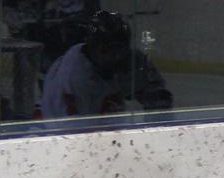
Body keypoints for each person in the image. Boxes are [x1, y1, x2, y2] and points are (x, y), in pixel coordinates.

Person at [39, 10, 172, 118]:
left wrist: (152, 97)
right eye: (106, 49)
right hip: (60, 125)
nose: (115, 55)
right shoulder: (76, 77)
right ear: (92, 47)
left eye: (119, 48)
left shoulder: (133, 60)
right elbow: (79, 134)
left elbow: (160, 100)